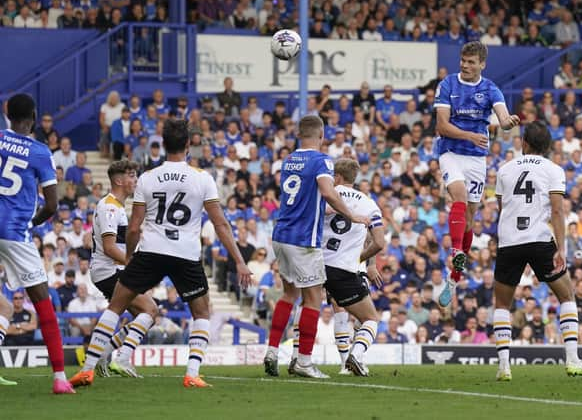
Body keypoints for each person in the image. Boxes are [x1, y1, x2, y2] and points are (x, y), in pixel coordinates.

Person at [69, 120, 251, 388]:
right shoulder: (202, 177)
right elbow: (220, 224)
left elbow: (133, 227)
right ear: (188, 145)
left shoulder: (148, 177)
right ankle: (192, 374)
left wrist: (131, 258)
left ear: (163, 145)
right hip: (186, 254)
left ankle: (87, 369)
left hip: (152, 251)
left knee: (116, 306)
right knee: (201, 313)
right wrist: (239, 260)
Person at [263, 115, 369, 379]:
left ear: (300, 134)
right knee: (313, 299)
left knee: (289, 295)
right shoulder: (321, 160)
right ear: (321, 135)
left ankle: (272, 351)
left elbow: (304, 197)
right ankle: (304, 362)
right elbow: (327, 191)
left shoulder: (288, 159)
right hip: (303, 239)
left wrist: (328, 209)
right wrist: (351, 215)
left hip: (280, 234)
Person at [492, 121, 582, 381]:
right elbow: (558, 210)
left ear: (524, 143)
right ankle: (572, 360)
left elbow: (501, 206)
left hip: (509, 240)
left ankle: (504, 367)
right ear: (548, 146)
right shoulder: (553, 170)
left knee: (502, 303)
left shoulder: (504, 170)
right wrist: (561, 247)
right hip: (539, 239)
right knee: (567, 295)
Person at [434, 41, 520, 307]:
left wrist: (507, 122)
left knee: (470, 219)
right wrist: (471, 135)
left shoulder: (490, 88)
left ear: (482, 64)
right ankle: (456, 251)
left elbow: (503, 117)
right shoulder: (448, 84)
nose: (466, 65)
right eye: (463, 60)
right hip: (451, 152)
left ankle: (454, 276)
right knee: (458, 198)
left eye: (471, 62)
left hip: (477, 160)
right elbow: (442, 126)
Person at [0, 93, 75, 393]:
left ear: (8, 114)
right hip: (15, 233)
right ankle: (59, 378)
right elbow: (53, 205)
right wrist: (31, 223)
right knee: (43, 302)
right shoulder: (41, 152)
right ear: (33, 117)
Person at [290, 158, 385, 376]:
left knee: (307, 306)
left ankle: (298, 358)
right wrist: (359, 259)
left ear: (337, 177)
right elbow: (379, 242)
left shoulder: (323, 198)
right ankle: (355, 356)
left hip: (315, 262)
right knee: (370, 319)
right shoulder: (369, 204)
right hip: (343, 269)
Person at [70, 160, 160, 383]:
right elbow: (110, 248)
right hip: (108, 270)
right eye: (131, 176)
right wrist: (134, 264)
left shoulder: (116, 206)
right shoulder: (110, 207)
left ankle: (102, 356)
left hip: (110, 270)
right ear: (119, 180)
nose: (135, 180)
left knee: (145, 313)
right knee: (149, 310)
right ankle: (120, 358)